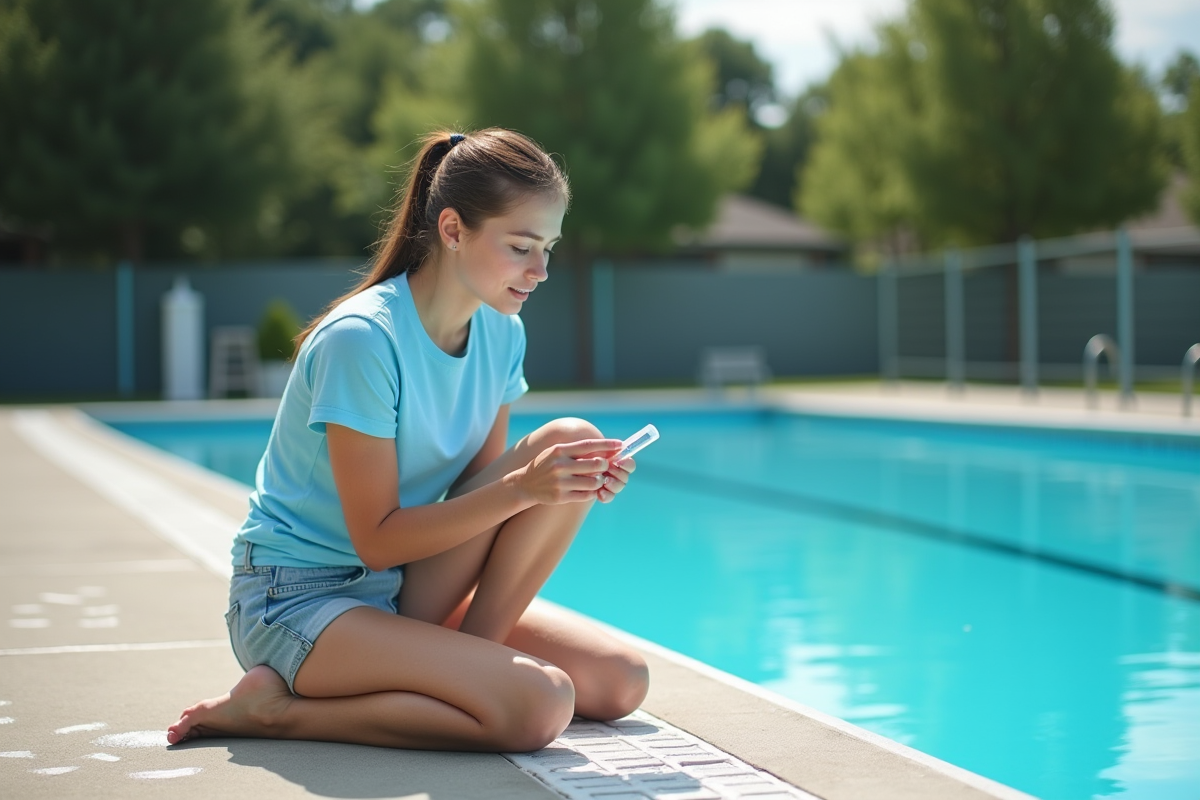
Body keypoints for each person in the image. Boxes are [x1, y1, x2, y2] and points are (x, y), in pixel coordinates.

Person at [167, 129, 649, 752]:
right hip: (299, 599)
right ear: (453, 230)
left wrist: (564, 484)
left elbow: (474, 501)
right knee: (540, 704)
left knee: (620, 681)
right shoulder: (362, 340)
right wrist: (525, 490)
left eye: (548, 248)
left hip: (403, 585)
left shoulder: (502, 332)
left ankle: (468, 669)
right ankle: (274, 712)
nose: (541, 271)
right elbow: (377, 538)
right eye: (521, 247)